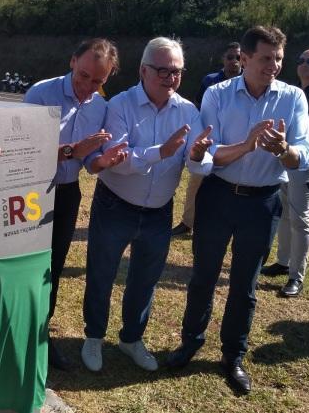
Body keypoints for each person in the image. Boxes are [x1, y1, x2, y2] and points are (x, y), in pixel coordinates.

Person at [166, 26, 309, 394]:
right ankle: (191, 341)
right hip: (218, 195)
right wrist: (247, 145)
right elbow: (208, 157)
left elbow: (304, 157)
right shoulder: (217, 94)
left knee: (245, 285)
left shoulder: (293, 98)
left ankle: (233, 356)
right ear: (244, 59)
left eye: (278, 58)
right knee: (203, 275)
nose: (274, 66)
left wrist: (282, 150)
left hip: (263, 202)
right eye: (266, 58)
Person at [80, 37, 213, 373]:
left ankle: (131, 338)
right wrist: (161, 152)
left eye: (177, 72)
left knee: (145, 279)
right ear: (143, 70)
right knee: (101, 274)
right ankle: (94, 336)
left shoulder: (188, 110)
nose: (170, 78)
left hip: (158, 211)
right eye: (163, 70)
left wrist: (198, 156)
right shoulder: (121, 106)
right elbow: (118, 160)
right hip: (116, 204)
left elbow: (198, 163)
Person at [24, 38, 127, 371]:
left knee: (51, 267)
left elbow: (90, 162)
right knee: (23, 262)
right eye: (84, 76)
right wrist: (71, 151)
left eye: (98, 80)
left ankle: (40, 334)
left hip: (67, 192)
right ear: (72, 62)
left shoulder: (100, 106)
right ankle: (16, 329)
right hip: (29, 191)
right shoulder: (41, 94)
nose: (88, 86)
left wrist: (103, 161)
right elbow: (19, 152)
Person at [261, 49, 309, 296]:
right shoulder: (291, 93)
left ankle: (296, 277)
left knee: (300, 219)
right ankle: (283, 261)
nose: (304, 64)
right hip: (285, 158)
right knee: (285, 213)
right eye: (300, 60)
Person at [173, 42, 242, 237]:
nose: (234, 61)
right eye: (230, 57)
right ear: (223, 59)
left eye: (238, 58)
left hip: (233, 145)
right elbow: (198, 108)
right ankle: (188, 222)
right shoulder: (210, 81)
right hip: (207, 142)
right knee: (196, 184)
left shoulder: (249, 83)